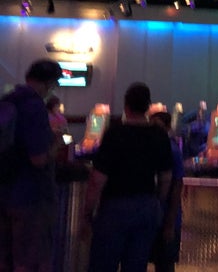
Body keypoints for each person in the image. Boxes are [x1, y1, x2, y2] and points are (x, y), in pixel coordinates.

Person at [82, 82, 173, 272]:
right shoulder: (159, 135)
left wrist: (87, 212)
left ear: (126, 106)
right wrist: (158, 202)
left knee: (103, 264)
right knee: (136, 265)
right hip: (146, 206)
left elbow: (98, 179)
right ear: (148, 107)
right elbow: (166, 177)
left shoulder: (114, 133)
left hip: (115, 207)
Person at [0, 58, 63, 272]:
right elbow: (38, 159)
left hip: (5, 191)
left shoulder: (8, 100)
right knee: (30, 262)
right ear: (48, 83)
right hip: (31, 198)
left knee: (6, 260)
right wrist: (56, 144)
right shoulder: (35, 106)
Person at [149, 111, 184, 272]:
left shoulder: (172, 150)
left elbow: (177, 186)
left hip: (166, 217)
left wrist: (170, 223)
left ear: (168, 127)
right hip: (153, 217)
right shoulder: (154, 147)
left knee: (165, 263)